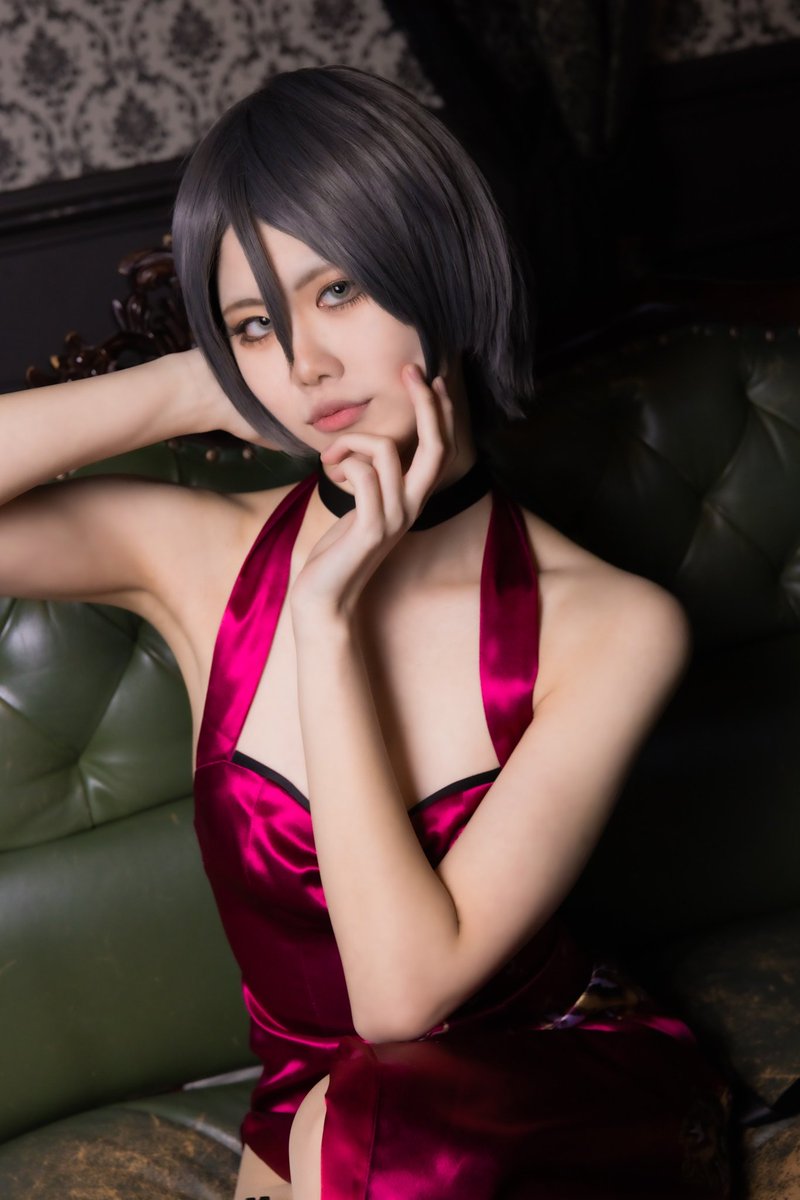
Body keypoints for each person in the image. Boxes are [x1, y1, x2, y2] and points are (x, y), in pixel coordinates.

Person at [0, 66, 732, 1199]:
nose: (306, 365)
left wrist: (328, 624)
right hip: (320, 1109)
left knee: (388, 1136)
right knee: (354, 1124)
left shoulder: (612, 626)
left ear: (441, 271)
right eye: (257, 323)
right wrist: (198, 385)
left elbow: (398, 1002)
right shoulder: (199, 557)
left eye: (337, 290)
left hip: (550, 1080)